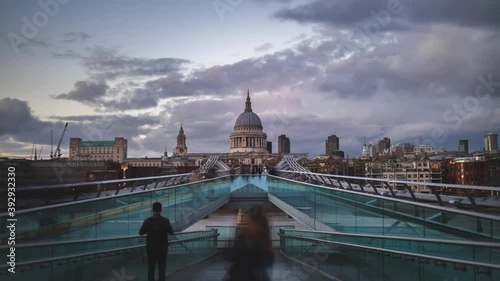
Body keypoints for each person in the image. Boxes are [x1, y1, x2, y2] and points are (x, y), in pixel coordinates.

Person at [224, 205, 275, 281]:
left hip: (241, 276)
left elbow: (231, 256)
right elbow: (268, 260)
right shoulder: (263, 242)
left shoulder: (244, 238)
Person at [139, 202, 174, 281]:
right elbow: (171, 231)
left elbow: (141, 232)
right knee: (162, 269)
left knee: (151, 269)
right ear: (161, 210)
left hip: (151, 249)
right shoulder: (165, 220)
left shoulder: (147, 221)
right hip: (162, 249)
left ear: (152, 210)